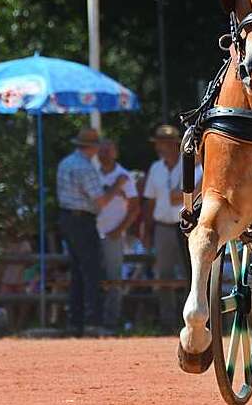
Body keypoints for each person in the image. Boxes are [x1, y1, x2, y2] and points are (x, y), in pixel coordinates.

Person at [56, 127, 123, 337]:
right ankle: (92, 322)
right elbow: (100, 200)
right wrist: (116, 187)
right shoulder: (85, 168)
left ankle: (74, 322)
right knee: (92, 271)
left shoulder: (66, 163)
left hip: (67, 218)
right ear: (93, 147)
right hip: (83, 221)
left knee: (77, 271)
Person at [142, 124, 201, 331]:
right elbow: (149, 201)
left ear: (175, 144)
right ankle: (167, 320)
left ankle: (193, 319)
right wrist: (146, 228)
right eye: (159, 143)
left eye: (165, 143)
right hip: (163, 226)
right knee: (163, 275)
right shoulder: (156, 168)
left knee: (191, 272)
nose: (161, 147)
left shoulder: (193, 166)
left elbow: (179, 198)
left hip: (187, 225)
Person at [95, 138, 138, 331]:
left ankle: (110, 321)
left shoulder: (124, 176)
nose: (104, 153)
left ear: (115, 153)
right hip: (92, 234)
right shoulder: (93, 174)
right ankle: (95, 319)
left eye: (108, 150)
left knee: (113, 279)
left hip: (113, 235)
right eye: (101, 150)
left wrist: (119, 230)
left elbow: (134, 207)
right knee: (94, 278)